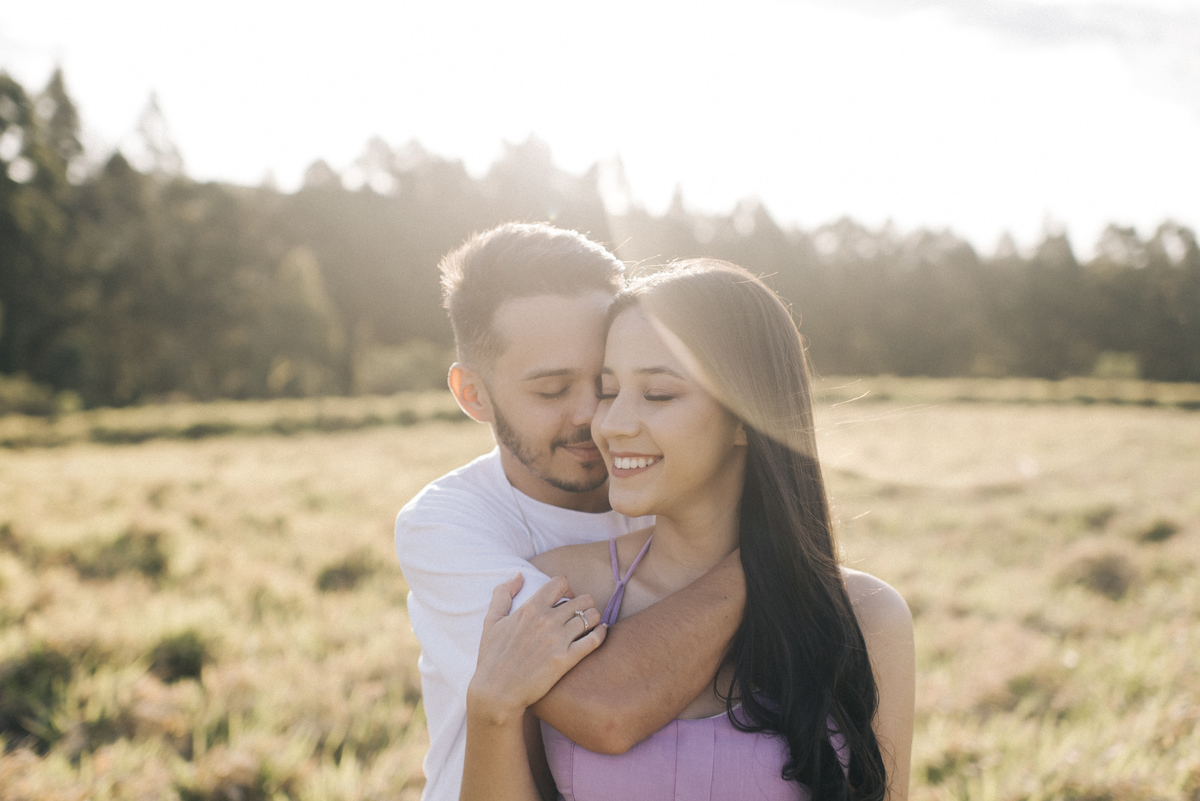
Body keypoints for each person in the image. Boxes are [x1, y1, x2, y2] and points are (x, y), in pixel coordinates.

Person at [462, 260, 915, 801]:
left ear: (748, 416)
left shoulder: (867, 616)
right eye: (609, 391)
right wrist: (488, 710)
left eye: (658, 394)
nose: (611, 424)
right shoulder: (560, 592)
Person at [394, 225, 747, 801]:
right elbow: (604, 707)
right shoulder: (445, 527)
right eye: (552, 390)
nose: (595, 417)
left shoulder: (666, 488)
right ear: (473, 394)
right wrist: (768, 559)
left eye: (606, 382)